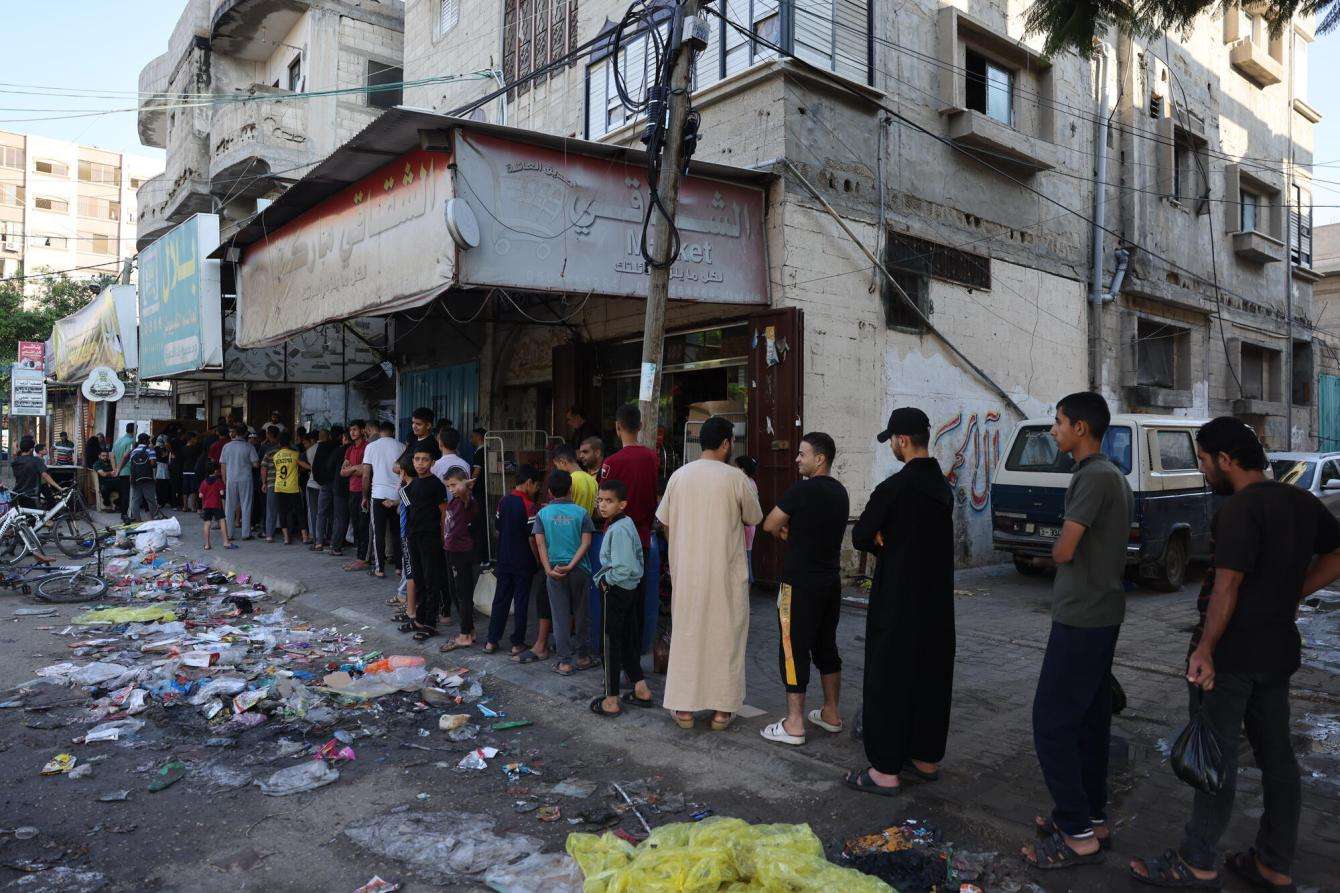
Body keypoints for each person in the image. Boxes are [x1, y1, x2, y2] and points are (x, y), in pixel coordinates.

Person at [1128, 419, 1340, 890]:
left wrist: (1205, 649)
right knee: (1278, 759)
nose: (1202, 471)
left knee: (1214, 758)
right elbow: (1337, 553)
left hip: (1232, 655)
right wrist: (1294, 593)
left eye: (1203, 461)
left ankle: (1198, 860)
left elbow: (1228, 584)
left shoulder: (1241, 510)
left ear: (1226, 460)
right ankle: (1274, 863)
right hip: (1277, 651)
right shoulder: (1301, 503)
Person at [1020, 392, 1133, 870]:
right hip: (1097, 611)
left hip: (1083, 616)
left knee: (1051, 722)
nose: (1054, 430)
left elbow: (1066, 549)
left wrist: (1048, 549)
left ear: (1081, 428)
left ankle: (1077, 831)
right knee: (1089, 720)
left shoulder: (1094, 477)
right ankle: (1092, 817)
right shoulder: (1109, 475)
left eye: (1058, 422)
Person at [843, 408, 954, 793]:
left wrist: (878, 538)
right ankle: (924, 758)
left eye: (892, 439)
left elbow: (861, 534)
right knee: (930, 677)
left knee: (888, 680)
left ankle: (885, 770)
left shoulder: (893, 489)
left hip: (897, 601)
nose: (891, 445)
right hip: (937, 605)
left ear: (902, 440)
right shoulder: (942, 487)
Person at [656, 415, 763, 731]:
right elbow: (753, 516)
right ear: (727, 443)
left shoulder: (678, 476)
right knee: (725, 638)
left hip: (687, 574)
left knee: (688, 637)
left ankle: (685, 710)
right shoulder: (735, 478)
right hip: (725, 575)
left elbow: (665, 521)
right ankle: (721, 711)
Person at [759, 433, 849, 747]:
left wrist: (789, 535)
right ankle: (831, 713)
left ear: (820, 458)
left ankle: (794, 723)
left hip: (798, 584)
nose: (797, 459)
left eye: (802, 454)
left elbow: (770, 524)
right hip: (829, 582)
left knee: (792, 648)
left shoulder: (802, 490)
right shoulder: (841, 492)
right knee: (826, 646)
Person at [590, 479, 654, 717]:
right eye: (600, 500)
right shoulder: (624, 524)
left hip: (617, 591)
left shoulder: (618, 529)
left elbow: (623, 567)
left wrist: (606, 581)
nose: (603, 506)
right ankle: (641, 689)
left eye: (609, 501)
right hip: (629, 590)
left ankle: (611, 699)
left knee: (609, 644)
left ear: (622, 504)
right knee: (627, 640)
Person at [600, 405, 661, 652]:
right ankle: (634, 659)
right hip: (644, 538)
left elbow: (602, 502)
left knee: (614, 604)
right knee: (638, 601)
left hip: (616, 540)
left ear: (617, 427)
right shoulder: (652, 458)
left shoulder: (611, 462)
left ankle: (616, 660)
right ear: (641, 426)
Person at [533, 469, 596, 675]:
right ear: (570, 489)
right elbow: (586, 543)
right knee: (581, 613)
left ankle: (565, 662)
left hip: (554, 570)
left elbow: (541, 545)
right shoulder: (582, 513)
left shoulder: (542, 514)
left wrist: (549, 570)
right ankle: (584, 657)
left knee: (559, 616)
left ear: (550, 492)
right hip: (579, 570)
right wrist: (572, 565)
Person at [488, 465, 541, 657]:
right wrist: (538, 561)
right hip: (523, 562)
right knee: (521, 601)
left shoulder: (503, 501)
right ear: (529, 483)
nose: (537, 490)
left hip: (504, 559)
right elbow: (532, 538)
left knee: (500, 600)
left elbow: (498, 528)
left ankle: (491, 641)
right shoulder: (529, 506)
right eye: (536, 486)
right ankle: (517, 643)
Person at [400, 444, 448, 642]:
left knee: (430, 580)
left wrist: (444, 535)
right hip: (414, 536)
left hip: (431, 537)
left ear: (432, 462)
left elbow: (444, 512)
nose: (420, 463)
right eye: (417, 459)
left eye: (425, 459)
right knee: (418, 579)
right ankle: (418, 619)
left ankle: (430, 623)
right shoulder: (412, 486)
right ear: (413, 461)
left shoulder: (437, 485)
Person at [441, 466, 481, 652]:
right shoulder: (456, 501)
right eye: (448, 486)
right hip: (452, 550)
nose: (451, 489)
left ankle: (465, 635)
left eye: (454, 485)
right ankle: (469, 630)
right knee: (457, 592)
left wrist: (464, 485)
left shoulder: (467, 499)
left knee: (463, 595)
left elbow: (464, 491)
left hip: (461, 553)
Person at [362, 420, 402, 578]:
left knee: (378, 533)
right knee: (397, 532)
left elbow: (366, 475)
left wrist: (364, 496)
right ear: (393, 431)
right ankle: (399, 567)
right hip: (396, 496)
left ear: (380, 432)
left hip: (378, 495)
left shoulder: (371, 447)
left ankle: (380, 569)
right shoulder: (401, 447)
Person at [219, 425, 260, 540]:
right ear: (245, 433)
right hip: (245, 479)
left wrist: (224, 479)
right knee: (246, 505)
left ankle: (229, 534)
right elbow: (256, 464)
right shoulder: (249, 447)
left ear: (235, 433)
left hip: (231, 479)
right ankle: (246, 534)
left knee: (229, 506)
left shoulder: (226, 447)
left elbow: (223, 465)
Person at [341, 420, 369, 567]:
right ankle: (361, 555)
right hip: (352, 491)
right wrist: (354, 469)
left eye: (355, 430)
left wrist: (351, 469)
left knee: (364, 524)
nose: (352, 432)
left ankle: (363, 557)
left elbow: (365, 470)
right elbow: (342, 471)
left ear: (363, 430)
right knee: (356, 524)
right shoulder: (350, 449)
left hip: (363, 490)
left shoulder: (367, 447)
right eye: (351, 430)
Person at [269, 433, 304, 544]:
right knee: (299, 511)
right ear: (290, 442)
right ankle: (305, 537)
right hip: (292, 487)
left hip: (279, 487)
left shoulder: (275, 456)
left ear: (279, 443)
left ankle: (286, 538)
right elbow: (301, 465)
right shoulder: (295, 454)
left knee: (282, 512)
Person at [9, 436, 59, 509]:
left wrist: (14, 446)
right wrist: (59, 488)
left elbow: (14, 454)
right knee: (36, 518)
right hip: (31, 496)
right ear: (32, 449)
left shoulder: (16, 460)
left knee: (24, 517)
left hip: (17, 493)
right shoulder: (36, 460)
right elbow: (45, 475)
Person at [120, 433, 160, 521]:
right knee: (150, 499)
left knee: (136, 499)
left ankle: (137, 519)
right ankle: (155, 518)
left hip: (135, 478)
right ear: (147, 441)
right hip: (147, 478)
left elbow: (132, 465)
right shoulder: (150, 449)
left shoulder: (133, 451)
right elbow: (153, 464)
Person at [198, 460, 234, 550]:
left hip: (206, 506)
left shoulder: (204, 482)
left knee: (207, 523)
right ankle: (226, 542)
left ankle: (207, 544)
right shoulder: (218, 481)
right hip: (217, 505)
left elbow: (200, 495)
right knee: (222, 521)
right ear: (215, 471)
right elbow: (222, 493)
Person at [736, 456, 760, 585]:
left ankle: (748, 585)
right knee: (747, 557)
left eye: (737, 466)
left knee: (745, 558)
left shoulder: (745, 483)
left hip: (746, 526)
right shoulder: (751, 482)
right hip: (750, 527)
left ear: (743, 469)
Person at [553, 444, 596, 513]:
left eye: (556, 466)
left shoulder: (569, 481)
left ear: (562, 462)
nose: (557, 469)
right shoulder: (592, 480)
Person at [259, 426, 283, 542]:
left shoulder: (268, 451)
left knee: (271, 509)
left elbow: (263, 468)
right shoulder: (288, 450)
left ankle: (269, 535)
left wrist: (264, 483)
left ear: (268, 434)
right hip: (286, 484)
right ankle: (287, 535)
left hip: (272, 483)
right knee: (286, 509)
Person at [112, 422, 135, 521]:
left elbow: (111, 455)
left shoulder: (118, 440)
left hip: (118, 471)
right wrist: (119, 469)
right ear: (134, 430)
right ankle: (124, 514)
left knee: (122, 492)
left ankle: (122, 510)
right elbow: (126, 456)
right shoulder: (132, 441)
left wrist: (115, 469)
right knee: (127, 493)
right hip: (126, 470)